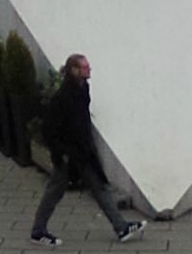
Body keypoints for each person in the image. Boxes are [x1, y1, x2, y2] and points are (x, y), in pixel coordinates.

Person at [30, 51, 140, 243]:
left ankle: (121, 227)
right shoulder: (62, 97)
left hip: (82, 152)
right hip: (68, 154)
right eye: (85, 67)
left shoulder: (83, 89)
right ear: (74, 70)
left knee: (99, 187)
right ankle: (38, 231)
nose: (89, 70)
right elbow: (48, 128)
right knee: (55, 191)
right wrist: (61, 152)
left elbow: (82, 120)